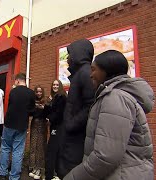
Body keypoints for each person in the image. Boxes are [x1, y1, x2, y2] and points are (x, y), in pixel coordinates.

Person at [63, 50, 155, 180]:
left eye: (94, 69)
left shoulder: (115, 98)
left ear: (106, 71)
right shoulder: (117, 95)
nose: (90, 75)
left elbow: (105, 156)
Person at [58, 39, 95, 178]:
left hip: (77, 139)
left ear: (78, 55)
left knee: (71, 172)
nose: (67, 59)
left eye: (69, 54)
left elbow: (91, 104)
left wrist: (71, 124)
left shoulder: (85, 73)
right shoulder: (79, 74)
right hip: (73, 137)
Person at [0, 73, 36, 180]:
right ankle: (14, 177)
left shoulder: (13, 91)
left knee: (5, 148)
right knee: (18, 151)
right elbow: (32, 110)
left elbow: (10, 106)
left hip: (9, 123)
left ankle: (2, 173)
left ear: (18, 81)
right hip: (22, 125)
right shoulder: (31, 93)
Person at [44, 80, 67, 180]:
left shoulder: (61, 97)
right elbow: (48, 112)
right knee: (56, 151)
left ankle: (49, 176)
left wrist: (50, 118)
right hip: (55, 126)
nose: (55, 86)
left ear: (60, 86)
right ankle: (57, 174)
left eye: (57, 84)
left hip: (58, 127)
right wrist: (48, 103)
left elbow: (59, 113)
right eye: (53, 84)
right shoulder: (54, 98)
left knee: (51, 151)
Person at [28, 85, 48, 180]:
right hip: (34, 124)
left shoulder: (45, 101)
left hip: (42, 124)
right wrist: (36, 108)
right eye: (37, 92)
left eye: (40, 91)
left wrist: (43, 108)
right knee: (33, 146)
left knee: (40, 147)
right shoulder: (33, 101)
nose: (39, 93)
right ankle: (33, 167)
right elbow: (31, 113)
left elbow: (47, 114)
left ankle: (39, 169)